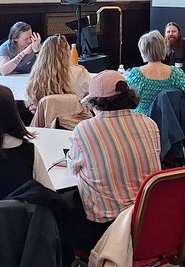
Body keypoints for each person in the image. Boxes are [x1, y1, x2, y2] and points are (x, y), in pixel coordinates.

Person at [66, 71, 161, 251]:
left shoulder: (85, 130)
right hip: (147, 221)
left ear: (95, 103)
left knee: (61, 213)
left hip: (106, 226)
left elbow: (73, 169)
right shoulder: (149, 123)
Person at [125, 30, 185, 116]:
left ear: (143, 50)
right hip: (169, 121)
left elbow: (125, 100)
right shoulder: (175, 73)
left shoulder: (136, 74)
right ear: (163, 49)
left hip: (142, 122)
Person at [25, 34, 91, 112]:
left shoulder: (36, 76)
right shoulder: (80, 72)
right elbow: (90, 96)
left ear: (43, 54)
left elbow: (32, 103)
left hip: (47, 120)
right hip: (74, 119)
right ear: (67, 53)